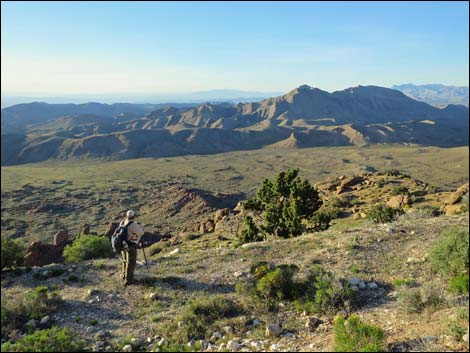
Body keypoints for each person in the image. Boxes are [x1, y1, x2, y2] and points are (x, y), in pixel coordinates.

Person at [119, 209, 144, 285]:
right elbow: (141, 232)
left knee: (125, 260)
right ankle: (128, 280)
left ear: (126, 216)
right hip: (130, 246)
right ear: (133, 216)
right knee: (131, 262)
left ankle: (123, 275)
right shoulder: (133, 224)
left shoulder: (123, 222)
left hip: (123, 245)